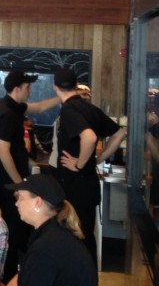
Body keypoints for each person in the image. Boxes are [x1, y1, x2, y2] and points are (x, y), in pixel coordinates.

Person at [0, 70, 59, 282]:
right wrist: (20, 185)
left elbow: (39, 107)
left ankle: (15, 277)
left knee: (18, 230)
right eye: (28, 87)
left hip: (8, 180)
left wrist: (63, 96)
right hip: (8, 183)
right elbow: (3, 152)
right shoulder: (8, 114)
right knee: (15, 232)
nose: (30, 91)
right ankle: (11, 279)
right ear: (17, 89)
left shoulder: (8, 104)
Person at [53, 68, 126, 264]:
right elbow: (120, 133)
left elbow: (90, 137)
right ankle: (88, 277)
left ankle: (82, 278)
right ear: (76, 85)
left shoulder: (69, 110)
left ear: (55, 87)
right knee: (85, 235)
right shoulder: (89, 108)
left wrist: (79, 164)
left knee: (76, 236)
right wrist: (98, 159)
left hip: (75, 186)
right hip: (88, 185)